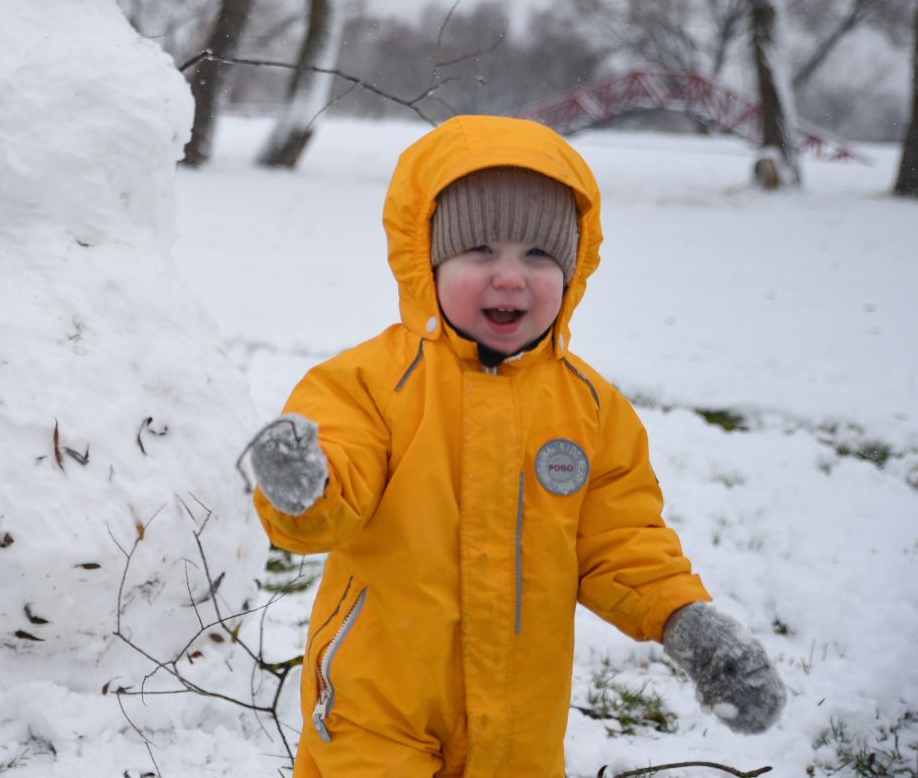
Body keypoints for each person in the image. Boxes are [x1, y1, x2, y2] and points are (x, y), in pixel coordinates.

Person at [247, 115, 785, 777]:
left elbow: (620, 541)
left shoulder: (590, 408)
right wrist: (305, 482)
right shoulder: (369, 383)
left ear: (573, 269)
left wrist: (685, 621)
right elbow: (337, 489)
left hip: (520, 723)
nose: (510, 278)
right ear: (427, 259)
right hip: (379, 708)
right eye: (480, 253)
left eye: (538, 256)